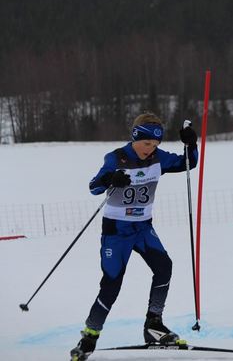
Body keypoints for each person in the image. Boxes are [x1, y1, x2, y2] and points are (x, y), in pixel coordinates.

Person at [70, 112, 198, 361]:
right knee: (111, 285)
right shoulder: (116, 157)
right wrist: (110, 178)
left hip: (143, 228)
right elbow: (94, 187)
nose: (150, 150)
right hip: (117, 232)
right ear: (135, 138)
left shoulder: (159, 158)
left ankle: (154, 325)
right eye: (146, 144)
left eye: (155, 145)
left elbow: (188, 163)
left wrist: (191, 143)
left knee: (164, 267)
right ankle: (89, 335)